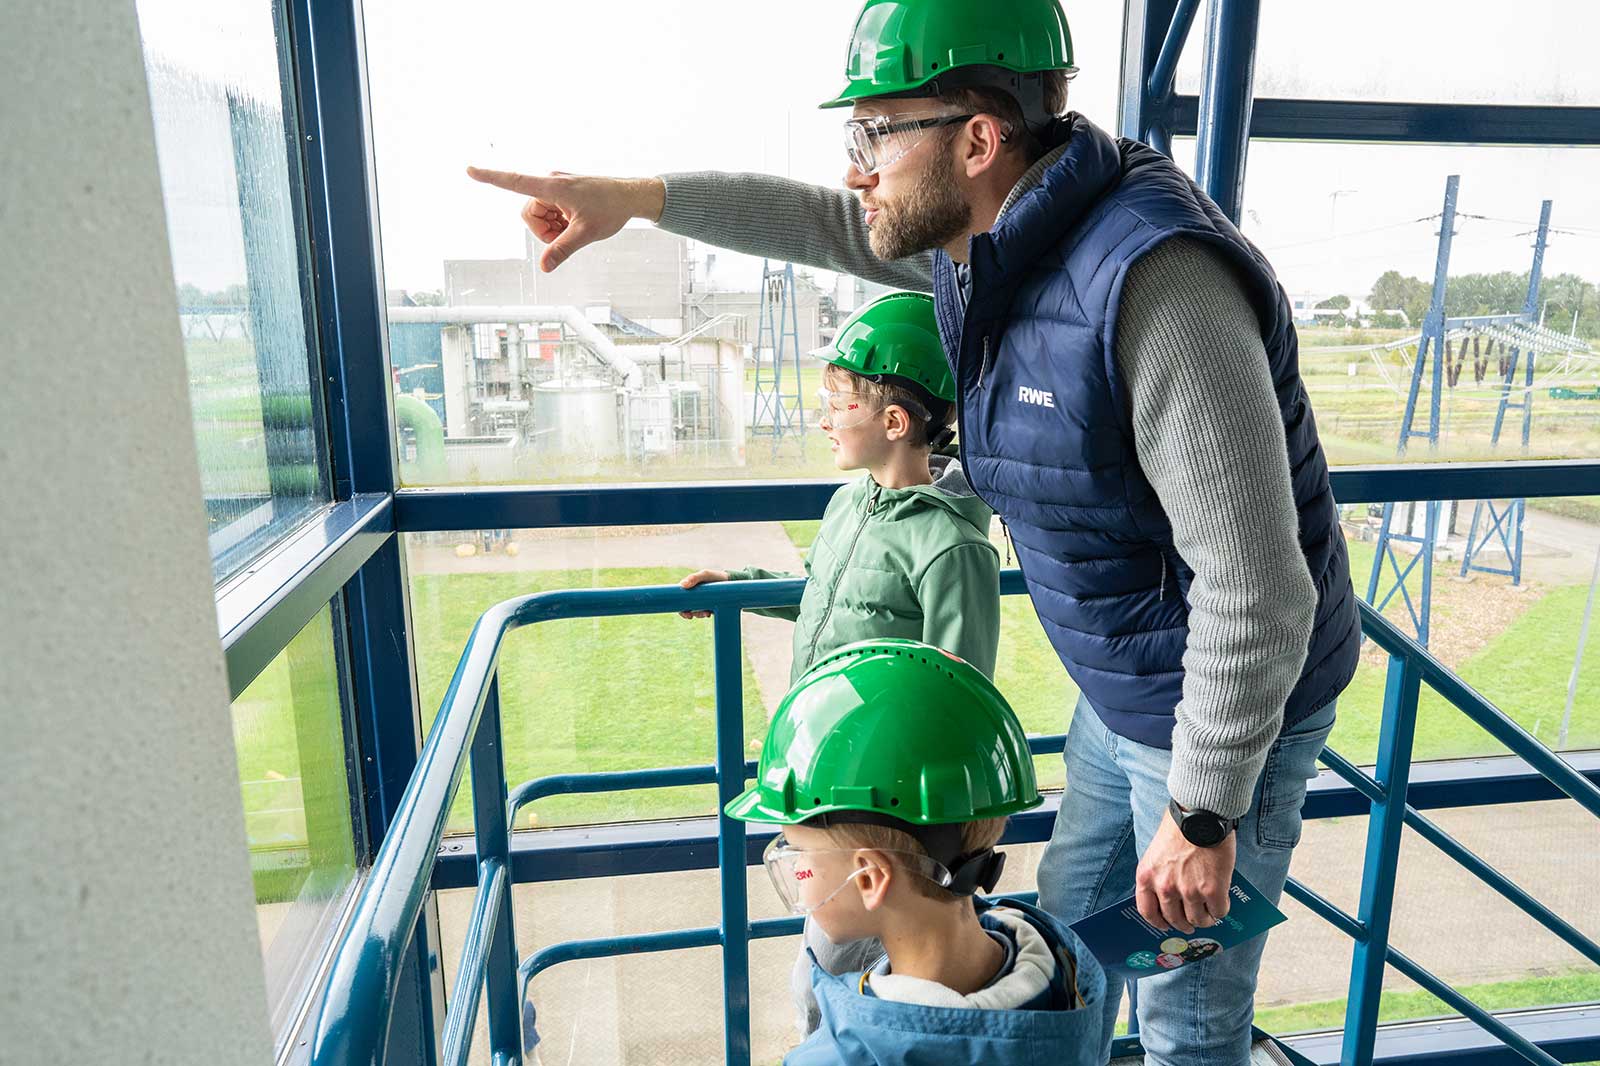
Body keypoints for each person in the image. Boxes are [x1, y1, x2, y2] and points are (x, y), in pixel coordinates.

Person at [468, 1, 1360, 1060]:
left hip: (1227, 722)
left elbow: (1260, 588)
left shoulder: (1156, 289)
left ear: (977, 140)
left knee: (1186, 1017)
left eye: (876, 134)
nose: (858, 169)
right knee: (1066, 950)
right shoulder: (987, 242)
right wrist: (633, 200)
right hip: (1123, 689)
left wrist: (1206, 815)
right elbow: (824, 224)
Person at [725, 638, 1106, 1065]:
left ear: (868, 878)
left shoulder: (847, 1055)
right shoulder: (1068, 974)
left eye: (799, 854)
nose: (798, 873)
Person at [677, 291, 1001, 683]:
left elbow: (958, 697)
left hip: (880, 743)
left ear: (894, 422)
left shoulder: (953, 550)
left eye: (838, 405)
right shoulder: (848, 502)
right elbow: (828, 599)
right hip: (814, 727)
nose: (824, 422)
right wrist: (736, 585)